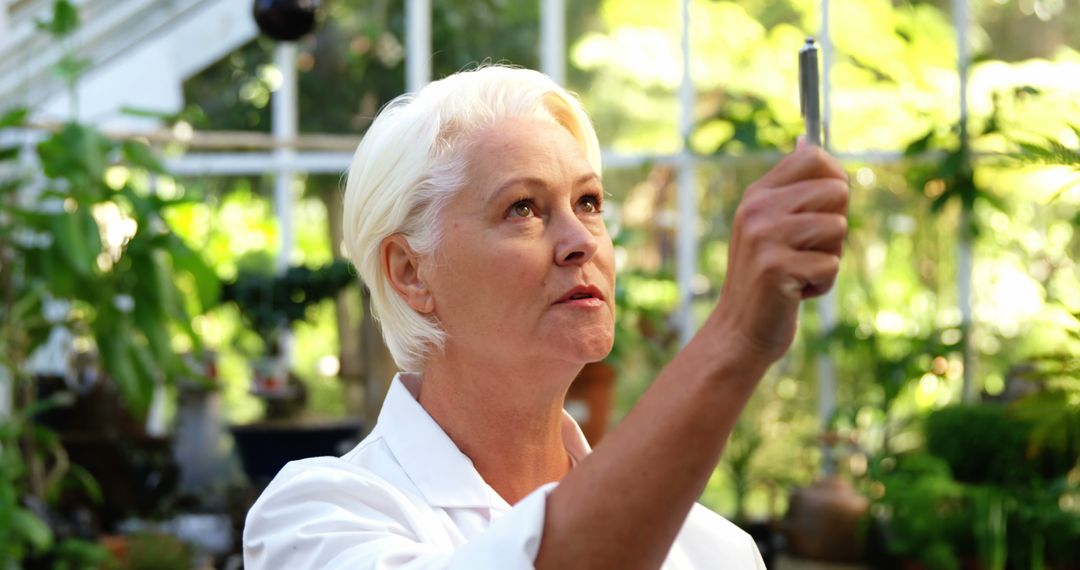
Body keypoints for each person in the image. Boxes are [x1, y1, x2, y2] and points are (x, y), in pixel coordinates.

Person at [243, 65, 848, 569]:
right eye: (523, 208)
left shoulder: (715, 551)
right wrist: (734, 339)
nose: (579, 240)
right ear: (410, 272)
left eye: (588, 202)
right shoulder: (320, 519)